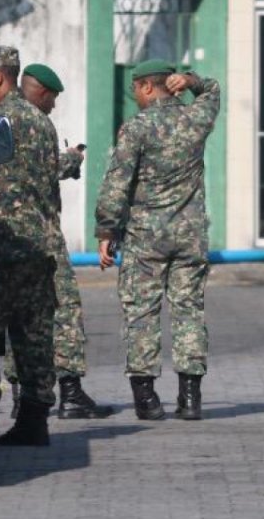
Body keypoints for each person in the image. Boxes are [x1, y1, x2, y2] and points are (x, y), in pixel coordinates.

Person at [94, 60, 220, 421]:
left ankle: (147, 400)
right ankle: (191, 398)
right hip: (189, 235)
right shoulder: (195, 119)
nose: (135, 96)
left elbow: (116, 186)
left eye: (135, 88)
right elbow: (212, 90)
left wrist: (106, 232)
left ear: (148, 87)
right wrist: (193, 79)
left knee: (141, 312)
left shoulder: (136, 128)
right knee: (188, 310)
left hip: (145, 238)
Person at [0, 46, 60, 447]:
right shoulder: (41, 121)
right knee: (34, 335)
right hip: (39, 244)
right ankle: (35, 420)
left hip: (2, 242)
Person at [14, 62, 113, 420]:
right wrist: (72, 159)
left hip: (8, 237)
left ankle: (19, 394)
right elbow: (42, 170)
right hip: (41, 234)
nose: (54, 106)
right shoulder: (35, 122)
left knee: (19, 315)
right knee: (65, 309)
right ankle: (70, 393)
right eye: (53, 98)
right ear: (41, 91)